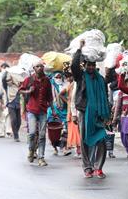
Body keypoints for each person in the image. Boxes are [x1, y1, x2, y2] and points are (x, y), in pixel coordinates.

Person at [71, 42, 111, 178]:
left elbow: (106, 97)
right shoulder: (80, 77)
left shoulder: (101, 80)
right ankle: (87, 168)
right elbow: (74, 66)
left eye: (93, 65)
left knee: (101, 139)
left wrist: (107, 115)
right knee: (84, 140)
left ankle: (98, 167)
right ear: (85, 65)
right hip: (84, 112)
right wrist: (80, 49)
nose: (91, 67)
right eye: (89, 65)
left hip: (99, 114)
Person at [20, 62, 53, 166]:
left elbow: (50, 96)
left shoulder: (47, 80)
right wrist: (28, 91)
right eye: (37, 66)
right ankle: (31, 150)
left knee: (42, 135)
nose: (39, 68)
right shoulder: (29, 80)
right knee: (32, 133)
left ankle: (41, 158)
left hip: (43, 110)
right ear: (33, 68)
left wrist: (53, 109)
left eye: (41, 66)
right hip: (32, 110)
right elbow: (20, 90)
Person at [113, 77, 128, 159]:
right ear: (125, 83)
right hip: (125, 117)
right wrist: (115, 119)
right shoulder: (121, 93)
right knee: (125, 135)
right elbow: (118, 106)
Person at [47, 71, 68, 155]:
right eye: (57, 77)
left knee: (66, 129)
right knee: (53, 130)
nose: (58, 79)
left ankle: (63, 147)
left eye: (60, 77)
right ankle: (54, 147)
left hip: (64, 110)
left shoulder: (65, 85)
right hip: (53, 110)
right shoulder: (50, 85)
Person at [0, 64, 22, 142]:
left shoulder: (20, 85)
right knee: (13, 119)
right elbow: (3, 80)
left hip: (19, 103)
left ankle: (15, 132)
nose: (8, 81)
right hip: (10, 102)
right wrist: (6, 71)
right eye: (8, 79)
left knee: (19, 121)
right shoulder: (7, 87)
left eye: (10, 79)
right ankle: (16, 135)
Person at [62, 72, 82, 157]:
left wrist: (68, 101)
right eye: (67, 77)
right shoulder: (71, 85)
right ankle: (79, 150)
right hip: (73, 111)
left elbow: (61, 94)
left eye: (70, 76)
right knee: (76, 131)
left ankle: (79, 150)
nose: (68, 79)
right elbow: (61, 94)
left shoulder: (74, 84)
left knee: (77, 131)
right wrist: (68, 101)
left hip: (74, 110)